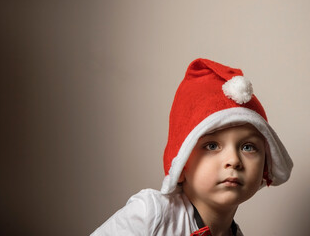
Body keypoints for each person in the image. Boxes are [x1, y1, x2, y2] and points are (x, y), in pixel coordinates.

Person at [91, 58, 293, 236]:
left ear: (266, 166)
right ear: (182, 162)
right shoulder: (151, 214)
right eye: (212, 145)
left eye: (248, 147)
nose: (233, 160)